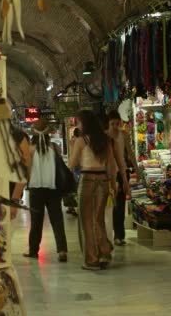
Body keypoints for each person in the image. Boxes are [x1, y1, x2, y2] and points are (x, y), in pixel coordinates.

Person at [69, 110, 124, 270]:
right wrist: (113, 184)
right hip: (103, 180)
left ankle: (92, 259)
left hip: (87, 180)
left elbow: (72, 164)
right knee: (98, 219)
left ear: (84, 123)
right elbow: (112, 166)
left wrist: (74, 148)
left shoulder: (81, 140)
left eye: (78, 122)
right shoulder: (106, 140)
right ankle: (105, 252)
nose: (77, 125)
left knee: (87, 221)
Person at [23, 120, 68, 262]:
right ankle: (62, 250)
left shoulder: (30, 149)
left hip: (36, 190)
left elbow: (28, 170)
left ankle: (33, 250)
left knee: (36, 221)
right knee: (57, 219)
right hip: (53, 188)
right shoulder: (54, 147)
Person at [106, 111, 133, 246]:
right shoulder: (105, 137)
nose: (116, 126)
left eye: (118, 123)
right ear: (108, 124)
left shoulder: (124, 135)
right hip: (108, 174)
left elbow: (130, 152)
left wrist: (137, 169)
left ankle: (119, 235)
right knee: (109, 205)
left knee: (120, 205)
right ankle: (108, 235)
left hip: (122, 173)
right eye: (113, 124)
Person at [64, 128, 81, 216]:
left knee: (73, 187)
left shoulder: (72, 141)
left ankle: (71, 207)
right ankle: (77, 206)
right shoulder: (80, 141)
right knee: (78, 186)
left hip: (74, 165)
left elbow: (71, 153)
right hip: (80, 165)